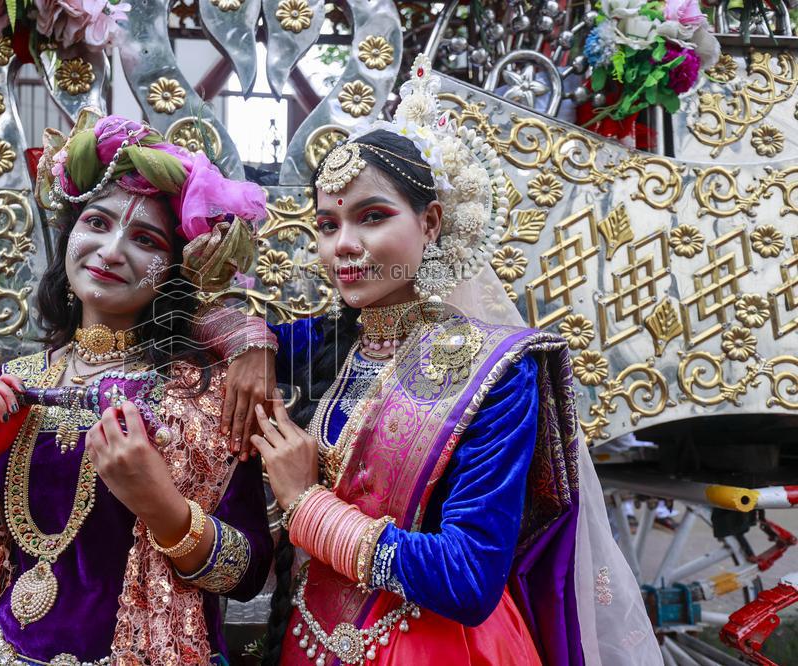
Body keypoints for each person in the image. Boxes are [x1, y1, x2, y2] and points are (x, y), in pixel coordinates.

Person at [249, 56, 661, 666]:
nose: (344, 245)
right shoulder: (334, 344)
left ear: (431, 222)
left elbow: (468, 578)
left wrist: (306, 504)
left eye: (372, 216)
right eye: (327, 223)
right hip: (309, 639)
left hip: (438, 647)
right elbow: (207, 337)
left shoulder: (497, 372)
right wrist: (246, 340)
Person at [0, 109, 277, 666]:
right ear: (69, 235)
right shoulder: (12, 385)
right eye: (98, 224)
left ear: (175, 272)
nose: (110, 251)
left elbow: (248, 573)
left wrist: (162, 506)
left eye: (146, 239)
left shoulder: (203, 395)